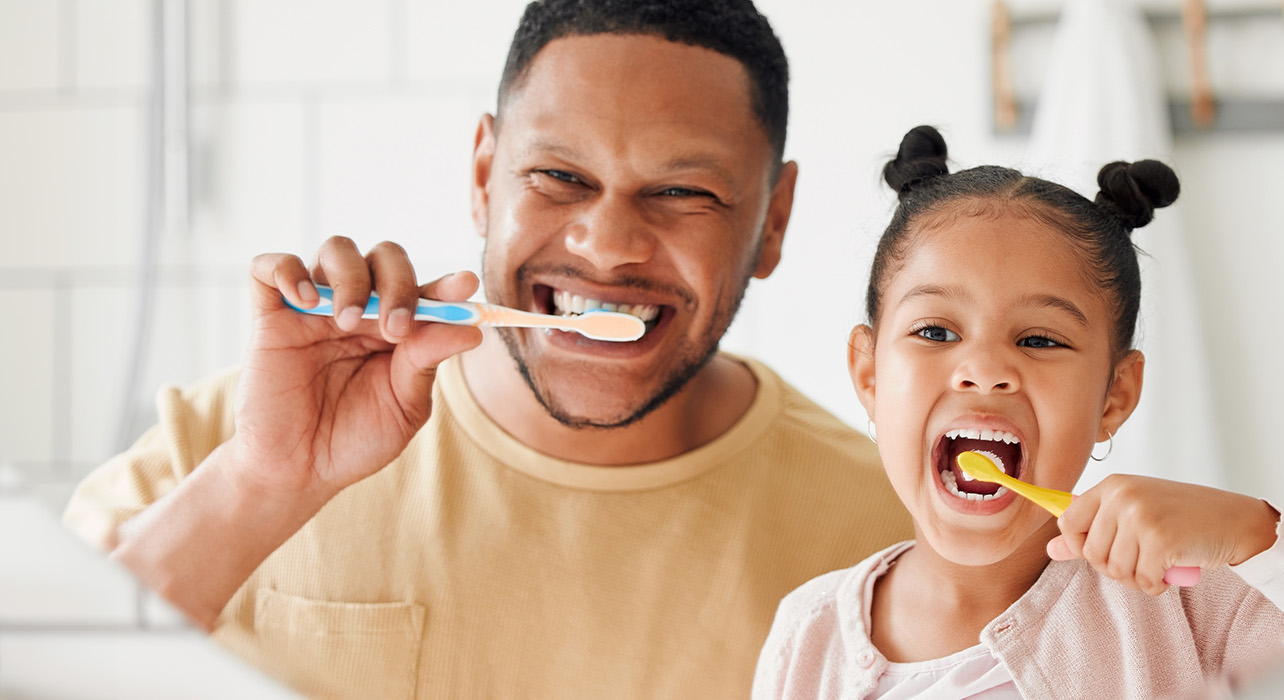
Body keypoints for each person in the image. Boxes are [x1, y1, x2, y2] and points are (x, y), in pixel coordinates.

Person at [61, 2, 912, 697]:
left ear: (773, 221)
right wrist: (260, 488)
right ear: (483, 175)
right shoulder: (223, 448)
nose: (609, 244)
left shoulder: (891, 542)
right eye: (559, 177)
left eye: (682, 191)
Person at [752, 126, 1284, 699]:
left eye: (1040, 340)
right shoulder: (807, 637)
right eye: (937, 332)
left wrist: (1252, 532)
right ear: (868, 372)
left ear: (1114, 397)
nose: (985, 369)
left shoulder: (1199, 608)